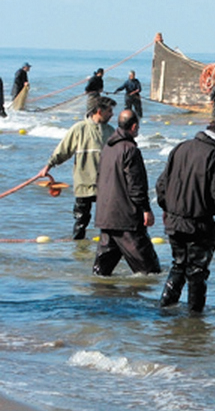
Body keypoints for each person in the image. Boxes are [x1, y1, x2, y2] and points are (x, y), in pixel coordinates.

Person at [156, 117, 215, 312]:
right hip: (199, 226)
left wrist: (167, 209)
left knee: (178, 266)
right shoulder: (214, 156)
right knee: (197, 273)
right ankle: (195, 321)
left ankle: (164, 309)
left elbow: (161, 186)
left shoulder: (180, 148)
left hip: (174, 223)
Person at [92, 109, 161, 276]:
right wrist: (146, 209)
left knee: (101, 271)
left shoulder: (108, 148)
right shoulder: (130, 150)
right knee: (150, 271)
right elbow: (136, 185)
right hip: (126, 219)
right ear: (134, 126)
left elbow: (100, 178)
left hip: (106, 216)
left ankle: (99, 296)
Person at [38, 96, 117, 239]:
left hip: (106, 184)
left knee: (109, 220)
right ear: (99, 111)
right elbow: (63, 150)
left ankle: (106, 250)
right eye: (109, 111)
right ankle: (79, 250)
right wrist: (49, 166)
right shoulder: (79, 129)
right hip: (84, 182)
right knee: (81, 220)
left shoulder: (111, 131)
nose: (112, 114)